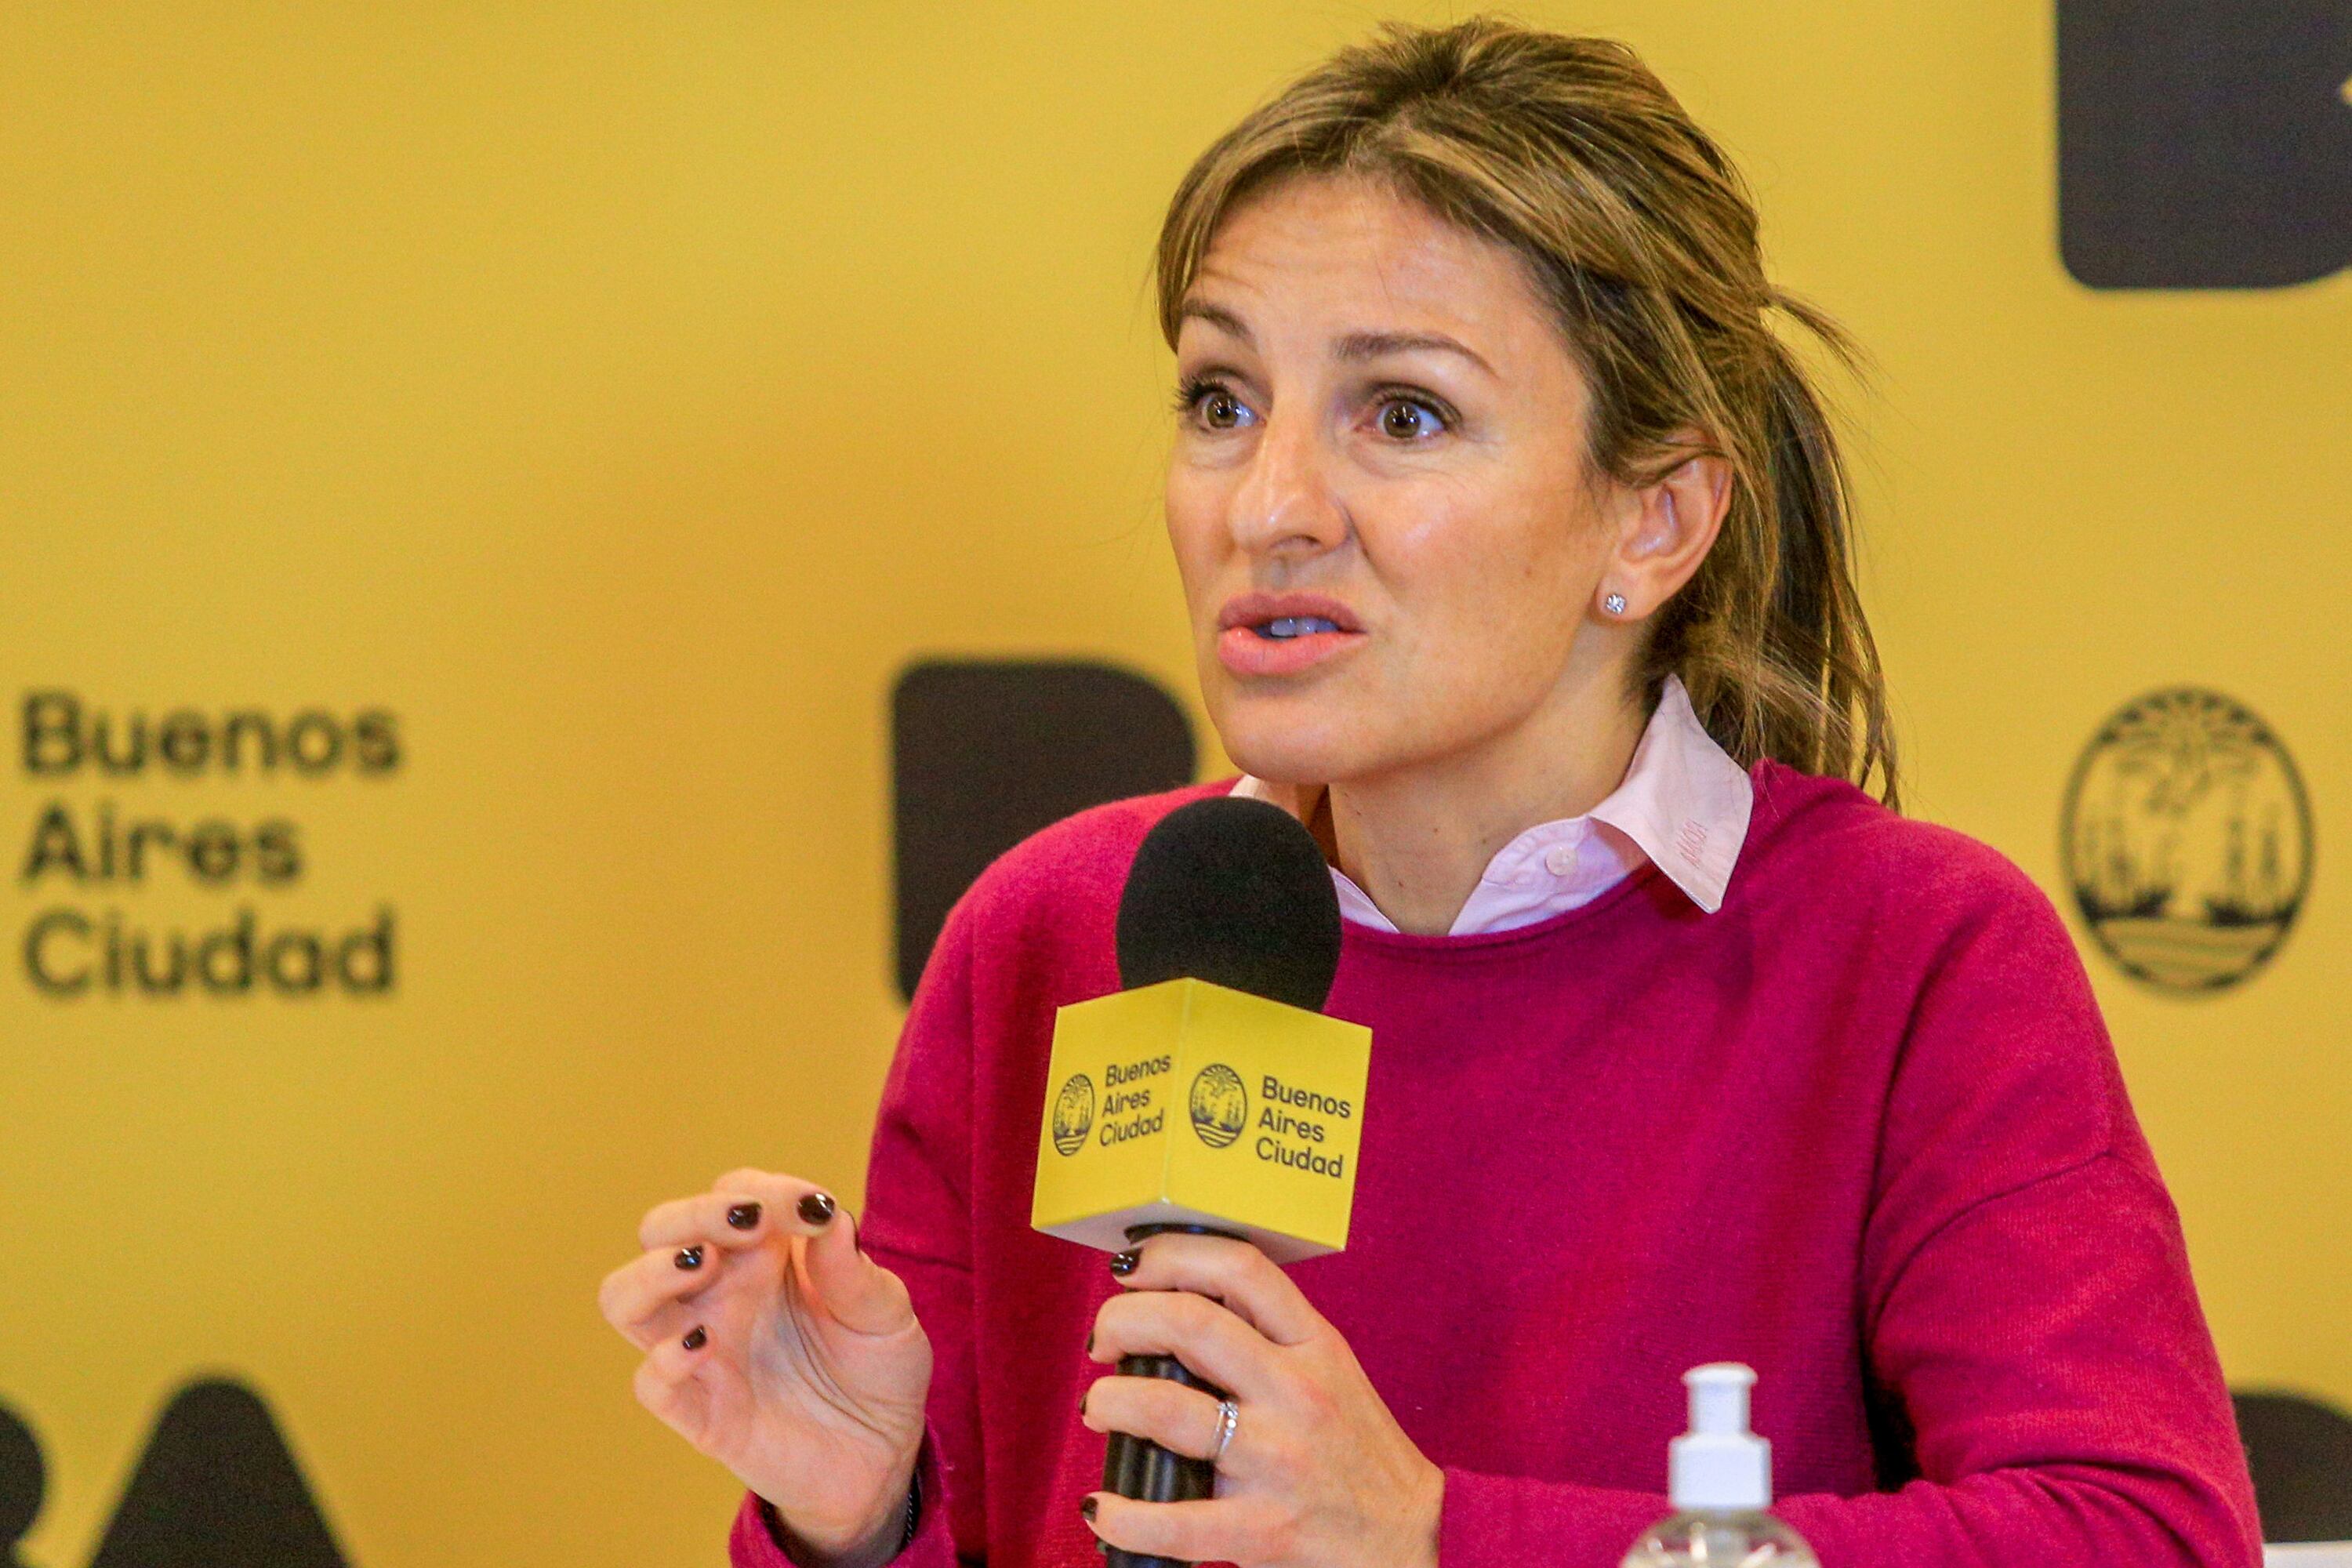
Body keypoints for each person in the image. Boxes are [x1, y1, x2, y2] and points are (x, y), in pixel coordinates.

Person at [597, 18, 2263, 1567]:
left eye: (1402, 414)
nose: (1269, 505)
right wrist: (863, 1517)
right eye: (1222, 401)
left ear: (1657, 521)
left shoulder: (1912, 955)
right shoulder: (1052, 933)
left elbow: (2140, 1537)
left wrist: (1435, 1535)